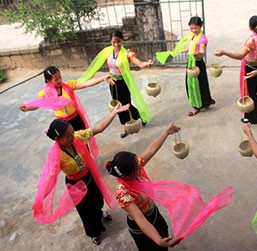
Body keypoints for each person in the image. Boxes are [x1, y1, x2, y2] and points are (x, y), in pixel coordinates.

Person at [32, 103, 130, 246]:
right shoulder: (57, 156)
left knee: (97, 199)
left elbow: (99, 128)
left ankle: (99, 213)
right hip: (75, 185)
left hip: (89, 176)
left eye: (72, 133)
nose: (72, 137)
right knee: (85, 211)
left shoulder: (77, 136)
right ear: (57, 139)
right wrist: (40, 199)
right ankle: (94, 233)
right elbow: (50, 180)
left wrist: (114, 112)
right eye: (67, 137)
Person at [106, 123, 182, 250]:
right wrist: (158, 240)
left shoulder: (135, 168)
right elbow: (140, 220)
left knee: (163, 237)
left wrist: (166, 132)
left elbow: (151, 149)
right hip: (142, 230)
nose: (140, 167)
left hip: (154, 214)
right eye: (137, 168)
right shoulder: (123, 193)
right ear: (125, 176)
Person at [78, 29, 153, 139]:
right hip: (112, 82)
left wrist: (148, 63)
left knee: (126, 104)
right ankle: (129, 122)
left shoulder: (126, 53)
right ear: (110, 41)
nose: (116, 44)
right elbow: (96, 65)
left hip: (123, 83)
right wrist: (88, 77)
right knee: (118, 105)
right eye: (113, 42)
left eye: (118, 41)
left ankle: (132, 120)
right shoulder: (107, 52)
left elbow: (140, 63)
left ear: (122, 40)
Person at [214, 15, 257, 124]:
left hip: (249, 68)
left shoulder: (251, 40)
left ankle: (256, 116)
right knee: (252, 91)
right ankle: (253, 114)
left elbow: (240, 56)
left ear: (250, 27)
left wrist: (224, 52)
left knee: (250, 93)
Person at [19, 65, 112, 131]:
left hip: (76, 118)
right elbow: (38, 104)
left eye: (60, 77)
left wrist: (102, 78)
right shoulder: (46, 93)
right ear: (48, 81)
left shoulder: (68, 86)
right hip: (64, 124)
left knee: (83, 140)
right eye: (56, 79)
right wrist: (27, 108)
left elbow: (85, 84)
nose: (59, 80)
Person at [181, 16, 215, 117]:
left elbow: (202, 52)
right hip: (191, 62)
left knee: (194, 85)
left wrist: (198, 54)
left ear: (201, 26)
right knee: (201, 84)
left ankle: (196, 107)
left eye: (196, 28)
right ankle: (206, 101)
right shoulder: (193, 36)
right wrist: (178, 51)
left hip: (197, 64)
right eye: (191, 28)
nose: (193, 30)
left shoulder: (202, 38)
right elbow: (190, 48)